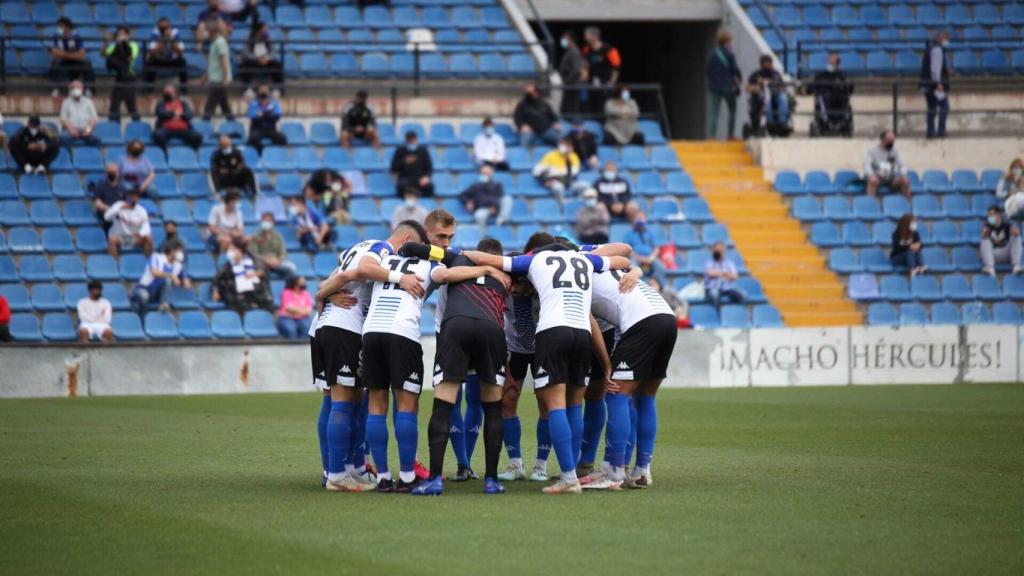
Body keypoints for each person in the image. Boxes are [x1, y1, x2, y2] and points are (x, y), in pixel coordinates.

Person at [453, 233, 631, 495]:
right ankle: (529, 465)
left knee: (552, 404)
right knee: (555, 403)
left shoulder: (534, 262)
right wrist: (631, 269)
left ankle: (555, 470)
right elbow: (623, 257)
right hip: (565, 337)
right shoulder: (581, 260)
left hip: (549, 336)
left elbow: (482, 258)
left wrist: (457, 252)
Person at [310, 222, 432, 492]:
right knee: (341, 401)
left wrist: (323, 293)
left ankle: (346, 469)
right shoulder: (382, 248)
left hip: (327, 325)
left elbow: (336, 276)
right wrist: (401, 278)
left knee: (347, 399)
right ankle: (336, 474)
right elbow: (362, 270)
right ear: (407, 240)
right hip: (343, 327)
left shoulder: (357, 247)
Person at [212, 240, 273, 314]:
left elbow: (263, 272)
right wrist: (215, 290)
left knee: (266, 300)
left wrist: (256, 273)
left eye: (233, 249)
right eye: (229, 250)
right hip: (238, 294)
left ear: (240, 251)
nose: (231, 252)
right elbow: (218, 278)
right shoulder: (228, 266)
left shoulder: (253, 261)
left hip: (255, 291)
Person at [706, 31, 742, 140]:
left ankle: (712, 137)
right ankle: (730, 135)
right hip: (728, 86)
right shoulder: (730, 54)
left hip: (714, 86)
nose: (731, 44)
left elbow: (708, 70)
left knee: (714, 111)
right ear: (726, 42)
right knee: (732, 109)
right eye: (730, 42)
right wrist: (739, 79)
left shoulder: (712, 55)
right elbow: (734, 70)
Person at [808, 52, 854, 135]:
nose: (833, 63)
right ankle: (826, 123)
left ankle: (841, 123)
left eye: (836, 61)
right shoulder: (821, 76)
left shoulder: (842, 76)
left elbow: (850, 88)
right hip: (826, 99)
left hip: (839, 101)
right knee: (824, 98)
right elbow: (811, 87)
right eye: (832, 61)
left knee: (844, 98)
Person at [103, 26, 141, 122]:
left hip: (129, 78)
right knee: (114, 106)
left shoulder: (133, 45)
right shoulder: (114, 46)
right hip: (118, 78)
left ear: (127, 35)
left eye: (123, 34)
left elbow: (130, 58)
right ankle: (114, 127)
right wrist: (106, 42)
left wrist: (123, 44)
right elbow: (104, 54)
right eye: (119, 34)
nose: (121, 36)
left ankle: (137, 125)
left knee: (131, 106)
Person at [49, 17, 95, 96]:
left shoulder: (76, 36)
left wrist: (63, 54)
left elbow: (82, 54)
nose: (58, 29)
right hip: (62, 62)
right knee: (55, 63)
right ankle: (57, 89)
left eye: (60, 26)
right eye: (58, 26)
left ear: (67, 27)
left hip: (75, 62)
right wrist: (73, 54)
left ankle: (89, 90)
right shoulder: (56, 36)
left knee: (87, 63)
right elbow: (53, 53)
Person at [582, 27, 622, 117]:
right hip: (592, 82)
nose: (585, 37)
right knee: (592, 105)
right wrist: (585, 75)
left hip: (606, 82)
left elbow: (616, 67)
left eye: (587, 35)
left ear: (594, 36)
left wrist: (612, 82)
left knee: (605, 106)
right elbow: (585, 64)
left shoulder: (609, 49)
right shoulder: (587, 49)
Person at [532, 137, 584, 205]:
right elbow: (536, 171)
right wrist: (545, 180)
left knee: (584, 186)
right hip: (555, 181)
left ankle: (578, 203)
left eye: (567, 146)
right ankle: (563, 204)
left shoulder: (574, 157)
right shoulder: (550, 155)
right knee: (558, 187)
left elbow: (574, 173)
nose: (565, 147)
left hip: (569, 183)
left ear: (571, 148)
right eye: (563, 145)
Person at [920, 31, 951, 139]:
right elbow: (935, 69)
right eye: (946, 39)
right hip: (934, 85)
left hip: (927, 84)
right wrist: (938, 83)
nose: (947, 41)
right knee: (945, 106)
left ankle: (930, 132)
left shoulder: (930, 48)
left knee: (932, 108)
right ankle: (941, 130)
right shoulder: (937, 50)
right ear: (940, 38)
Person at [131, 243, 178, 316]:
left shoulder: (174, 264)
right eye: (178, 251)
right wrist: (171, 276)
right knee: (144, 296)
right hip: (144, 288)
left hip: (155, 293)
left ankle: (164, 305)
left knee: (167, 281)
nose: (179, 253)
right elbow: (154, 272)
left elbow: (182, 282)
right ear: (172, 251)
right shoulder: (156, 257)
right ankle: (143, 318)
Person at [747, 55, 790, 133]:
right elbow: (748, 87)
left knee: (783, 98)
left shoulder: (775, 74)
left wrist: (775, 85)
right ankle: (770, 122)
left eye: (769, 63)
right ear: (762, 64)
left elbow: (782, 86)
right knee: (767, 99)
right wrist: (757, 87)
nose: (768, 65)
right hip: (762, 95)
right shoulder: (756, 75)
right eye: (766, 63)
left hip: (776, 94)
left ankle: (782, 122)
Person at [153, 84, 204, 150]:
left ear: (175, 92)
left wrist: (180, 115)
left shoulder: (183, 103)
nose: (168, 93)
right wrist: (173, 114)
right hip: (166, 129)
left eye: (170, 92)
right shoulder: (161, 104)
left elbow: (189, 114)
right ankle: (166, 150)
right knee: (158, 135)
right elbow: (161, 113)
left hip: (183, 129)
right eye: (166, 92)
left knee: (198, 136)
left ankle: (192, 152)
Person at [105, 189, 153, 258]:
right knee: (112, 240)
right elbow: (106, 217)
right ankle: (114, 263)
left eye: (135, 196)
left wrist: (140, 234)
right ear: (127, 197)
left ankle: (148, 261)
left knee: (148, 238)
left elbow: (146, 227)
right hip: (119, 237)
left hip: (132, 238)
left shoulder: (141, 210)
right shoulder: (118, 205)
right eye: (131, 196)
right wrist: (120, 208)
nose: (133, 198)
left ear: (138, 199)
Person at [201, 20, 234, 121]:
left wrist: (225, 78)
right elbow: (213, 64)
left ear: (212, 31)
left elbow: (223, 60)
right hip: (216, 79)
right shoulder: (214, 43)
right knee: (224, 105)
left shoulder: (220, 42)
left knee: (210, 106)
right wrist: (205, 77)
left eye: (207, 30)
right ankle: (232, 121)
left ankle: (205, 123)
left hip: (219, 80)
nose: (205, 33)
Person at [864, 130, 911, 198]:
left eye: (893, 140)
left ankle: (906, 202)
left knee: (905, 181)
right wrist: (871, 175)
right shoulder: (872, 151)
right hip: (877, 177)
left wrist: (903, 174)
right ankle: (870, 202)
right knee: (872, 181)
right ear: (882, 139)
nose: (892, 142)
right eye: (889, 140)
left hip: (891, 178)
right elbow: (867, 165)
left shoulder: (895, 151)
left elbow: (902, 165)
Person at [513, 83, 561, 148]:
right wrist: (522, 126)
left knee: (561, 139)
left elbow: (552, 116)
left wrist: (556, 122)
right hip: (529, 130)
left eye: (534, 91)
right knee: (524, 145)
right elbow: (517, 117)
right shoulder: (522, 105)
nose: (533, 94)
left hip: (545, 129)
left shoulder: (544, 103)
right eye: (529, 93)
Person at [144, 18, 188, 87]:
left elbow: (181, 52)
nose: (164, 30)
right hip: (159, 60)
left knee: (182, 61)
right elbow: (151, 52)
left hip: (173, 60)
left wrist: (171, 40)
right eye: (162, 28)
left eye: (166, 27)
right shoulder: (155, 32)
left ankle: (183, 89)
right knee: (149, 61)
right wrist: (162, 41)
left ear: (169, 26)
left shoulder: (175, 32)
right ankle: (148, 88)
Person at [251, 211, 296, 278]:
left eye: (268, 221)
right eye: (264, 221)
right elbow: (254, 253)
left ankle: (288, 285)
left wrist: (278, 260)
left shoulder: (278, 237)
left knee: (291, 268)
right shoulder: (255, 237)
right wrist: (267, 260)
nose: (266, 222)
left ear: (273, 222)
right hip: (262, 263)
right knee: (260, 269)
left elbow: (283, 253)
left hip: (276, 262)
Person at [390, 131, 434, 198]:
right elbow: (393, 169)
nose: (412, 143)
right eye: (410, 142)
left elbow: (429, 168)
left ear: (416, 140)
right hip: (405, 179)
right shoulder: (400, 151)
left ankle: (423, 201)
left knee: (430, 187)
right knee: (400, 187)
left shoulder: (423, 151)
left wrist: (426, 177)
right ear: (406, 141)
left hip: (420, 179)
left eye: (413, 141)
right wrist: (404, 162)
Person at [980, 207, 1023, 276]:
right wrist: (985, 233)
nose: (990, 217)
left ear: (998, 215)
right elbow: (983, 234)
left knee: (1017, 238)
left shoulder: (1006, 225)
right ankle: (990, 267)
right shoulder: (987, 225)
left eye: (991, 215)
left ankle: (1016, 266)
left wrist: (1015, 233)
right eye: (989, 216)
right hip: (993, 255)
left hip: (1006, 254)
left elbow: (1016, 232)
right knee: (984, 240)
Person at [239, 21, 284, 88]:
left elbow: (273, 52)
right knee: (245, 66)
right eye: (264, 30)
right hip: (253, 61)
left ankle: (278, 89)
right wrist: (257, 59)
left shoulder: (268, 38)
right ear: (258, 30)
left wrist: (267, 58)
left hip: (266, 61)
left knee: (277, 66)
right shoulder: (249, 38)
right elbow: (246, 53)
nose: (266, 31)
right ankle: (246, 89)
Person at [704, 241, 745, 308]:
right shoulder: (709, 263)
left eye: (718, 250)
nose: (716, 252)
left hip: (728, 288)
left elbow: (735, 276)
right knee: (714, 295)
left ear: (723, 251)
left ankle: (735, 312)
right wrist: (726, 273)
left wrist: (718, 273)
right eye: (715, 250)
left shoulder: (729, 263)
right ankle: (717, 313)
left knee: (742, 295)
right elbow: (711, 273)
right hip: (713, 287)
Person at [59, 80, 100, 147]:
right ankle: (71, 153)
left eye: (78, 87)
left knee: (96, 138)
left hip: (86, 128)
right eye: (73, 88)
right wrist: (71, 129)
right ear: (70, 90)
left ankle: (92, 153)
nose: (76, 89)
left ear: (82, 89)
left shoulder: (88, 101)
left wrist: (88, 129)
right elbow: (63, 118)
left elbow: (94, 117)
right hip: (71, 129)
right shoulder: (66, 102)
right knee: (63, 138)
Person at [246, 85, 286, 152]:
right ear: (258, 93)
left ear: (269, 93)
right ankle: (261, 153)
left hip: (270, 129)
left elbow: (277, 116)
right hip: (257, 129)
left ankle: (273, 153)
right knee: (252, 139)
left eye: (265, 92)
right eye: (261, 92)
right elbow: (253, 117)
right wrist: (268, 115)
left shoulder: (274, 103)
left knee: (282, 138)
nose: (263, 94)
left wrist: (262, 115)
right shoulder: (253, 104)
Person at [89, 164, 125, 233]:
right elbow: (98, 204)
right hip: (106, 215)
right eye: (110, 172)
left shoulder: (122, 188)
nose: (112, 174)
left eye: (114, 172)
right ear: (106, 174)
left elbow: (126, 204)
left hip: (119, 215)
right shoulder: (100, 187)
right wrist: (112, 209)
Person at [207, 189, 246, 253]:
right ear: (230, 201)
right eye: (236, 201)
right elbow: (212, 228)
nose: (238, 204)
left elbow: (240, 231)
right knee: (226, 240)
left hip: (232, 236)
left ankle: (242, 257)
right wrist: (223, 233)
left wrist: (234, 233)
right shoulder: (216, 209)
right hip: (216, 235)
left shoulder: (238, 213)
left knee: (247, 239)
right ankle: (224, 257)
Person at [558, 31, 585, 115]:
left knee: (572, 109)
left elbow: (577, 69)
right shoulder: (568, 51)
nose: (562, 40)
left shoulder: (574, 51)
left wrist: (566, 80)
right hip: (568, 85)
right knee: (566, 109)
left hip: (572, 85)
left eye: (565, 38)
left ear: (571, 40)